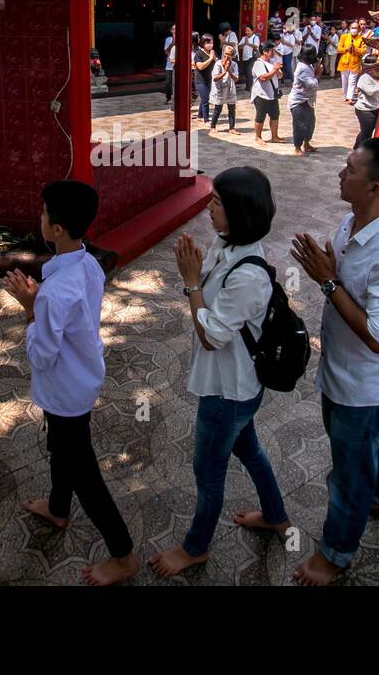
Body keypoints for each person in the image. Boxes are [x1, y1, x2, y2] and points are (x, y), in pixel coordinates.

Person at [289, 139, 379, 584]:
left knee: (347, 475)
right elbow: (347, 285)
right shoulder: (351, 223)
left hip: (365, 386)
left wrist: (328, 282)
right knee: (360, 452)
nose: (340, 174)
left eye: (350, 169)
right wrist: (333, 270)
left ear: (375, 186)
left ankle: (336, 552)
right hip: (339, 373)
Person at [151, 167, 290, 578]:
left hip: (228, 391)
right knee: (249, 450)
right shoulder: (228, 243)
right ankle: (276, 515)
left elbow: (212, 336)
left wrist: (191, 284)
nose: (209, 208)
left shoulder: (248, 273)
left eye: (217, 203)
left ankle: (196, 547)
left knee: (208, 472)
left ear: (241, 213)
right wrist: (198, 274)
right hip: (237, 386)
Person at [2, 180, 139, 586]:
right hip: (81, 379)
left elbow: (41, 354)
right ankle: (58, 508)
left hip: (64, 389)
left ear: (57, 229)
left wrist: (30, 309)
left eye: (44, 214)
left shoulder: (52, 292)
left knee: (84, 472)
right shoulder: (88, 263)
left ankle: (123, 552)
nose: (40, 218)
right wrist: (40, 303)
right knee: (62, 447)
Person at [288, 45, 321, 155]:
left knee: (310, 123)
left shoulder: (308, 65)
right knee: (300, 125)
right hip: (299, 101)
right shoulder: (302, 67)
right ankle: (297, 147)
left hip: (308, 100)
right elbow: (311, 84)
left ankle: (306, 144)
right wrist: (318, 74)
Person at [249, 42, 285, 145]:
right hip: (261, 95)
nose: (272, 53)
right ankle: (258, 137)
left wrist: (277, 70)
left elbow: (280, 76)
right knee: (260, 116)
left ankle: (274, 136)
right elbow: (263, 78)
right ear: (264, 51)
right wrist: (274, 70)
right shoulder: (258, 63)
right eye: (271, 51)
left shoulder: (272, 62)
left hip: (272, 94)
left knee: (275, 115)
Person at [208, 44, 240, 133]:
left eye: (229, 54)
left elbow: (236, 78)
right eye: (225, 53)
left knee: (232, 108)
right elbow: (215, 78)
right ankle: (213, 127)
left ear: (232, 55)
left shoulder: (234, 65)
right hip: (219, 88)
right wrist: (224, 71)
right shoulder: (218, 64)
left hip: (230, 88)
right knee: (218, 108)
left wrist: (229, 71)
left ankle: (232, 128)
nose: (227, 56)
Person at [353, 61, 379, 148]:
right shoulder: (364, 78)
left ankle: (357, 147)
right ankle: (361, 151)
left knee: (367, 130)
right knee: (366, 133)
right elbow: (370, 92)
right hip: (365, 109)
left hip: (376, 107)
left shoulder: (378, 77)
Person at [337, 21, 363, 103]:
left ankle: (350, 97)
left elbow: (363, 51)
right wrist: (347, 49)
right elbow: (339, 49)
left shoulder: (361, 38)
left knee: (352, 81)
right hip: (344, 62)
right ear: (349, 28)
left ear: (358, 29)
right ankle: (346, 96)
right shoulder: (344, 37)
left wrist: (355, 49)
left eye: (355, 28)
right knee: (344, 82)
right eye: (352, 28)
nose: (354, 30)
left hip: (354, 63)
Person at [192, 33, 215, 122]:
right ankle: (206, 120)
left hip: (209, 80)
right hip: (200, 80)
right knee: (206, 100)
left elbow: (217, 62)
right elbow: (200, 66)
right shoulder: (199, 54)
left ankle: (200, 116)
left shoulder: (212, 52)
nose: (210, 45)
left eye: (212, 43)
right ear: (203, 43)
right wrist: (210, 58)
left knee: (204, 98)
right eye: (208, 43)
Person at [239, 25, 259, 92]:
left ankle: (249, 88)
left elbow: (256, 46)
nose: (247, 32)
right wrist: (245, 43)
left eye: (248, 31)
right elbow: (239, 47)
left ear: (252, 31)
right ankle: (249, 87)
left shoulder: (255, 37)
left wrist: (248, 43)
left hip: (252, 57)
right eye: (246, 31)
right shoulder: (244, 38)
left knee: (249, 72)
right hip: (244, 58)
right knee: (246, 73)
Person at [162, 25, 175, 104]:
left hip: (178, 65)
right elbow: (166, 52)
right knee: (168, 82)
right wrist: (172, 43)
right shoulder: (168, 39)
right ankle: (168, 97)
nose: (175, 31)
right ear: (171, 30)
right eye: (173, 29)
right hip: (169, 65)